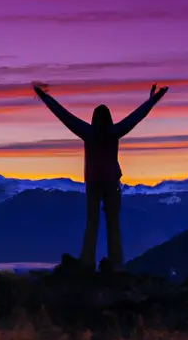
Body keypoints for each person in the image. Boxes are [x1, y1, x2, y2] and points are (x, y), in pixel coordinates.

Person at [32, 81, 169, 270]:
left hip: (94, 182)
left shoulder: (88, 132)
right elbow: (138, 116)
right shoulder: (115, 131)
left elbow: (63, 114)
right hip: (112, 182)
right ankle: (116, 263)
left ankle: (87, 261)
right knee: (113, 223)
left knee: (92, 222)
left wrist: (44, 96)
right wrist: (153, 99)